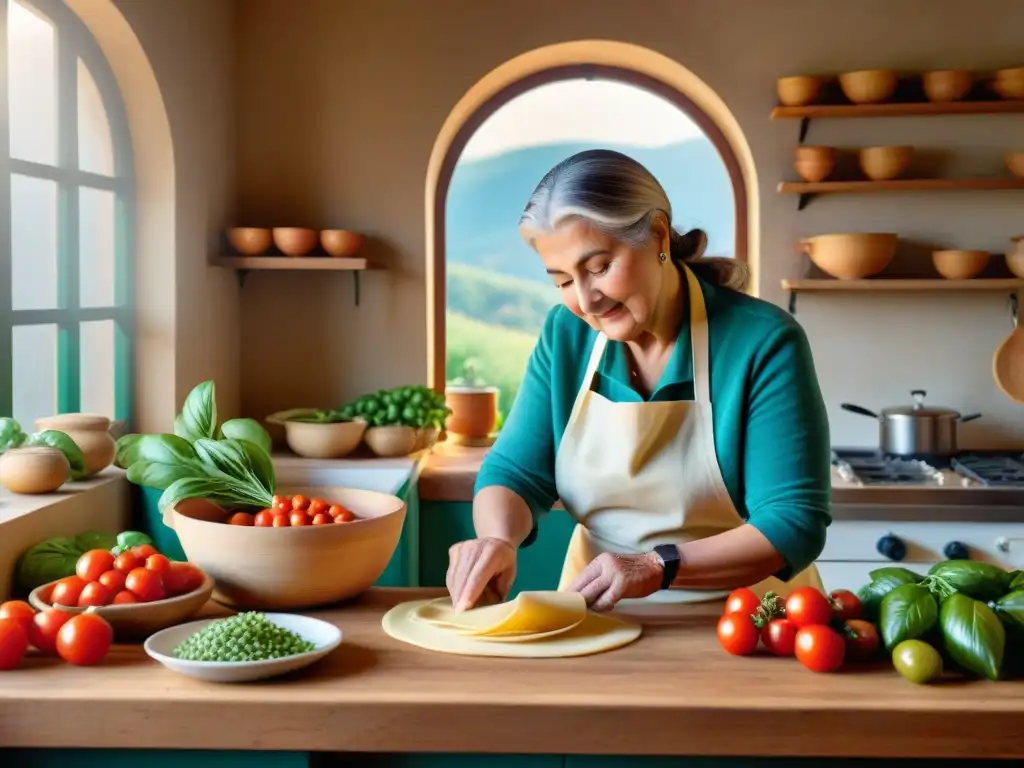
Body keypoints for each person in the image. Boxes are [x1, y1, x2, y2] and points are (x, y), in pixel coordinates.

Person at [445, 149, 831, 614]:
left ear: (658, 235)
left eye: (599, 267)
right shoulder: (565, 336)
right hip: (596, 615)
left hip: (753, 621)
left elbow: (793, 522)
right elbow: (515, 472)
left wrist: (657, 565)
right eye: (563, 280)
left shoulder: (762, 340)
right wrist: (497, 539)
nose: (586, 300)